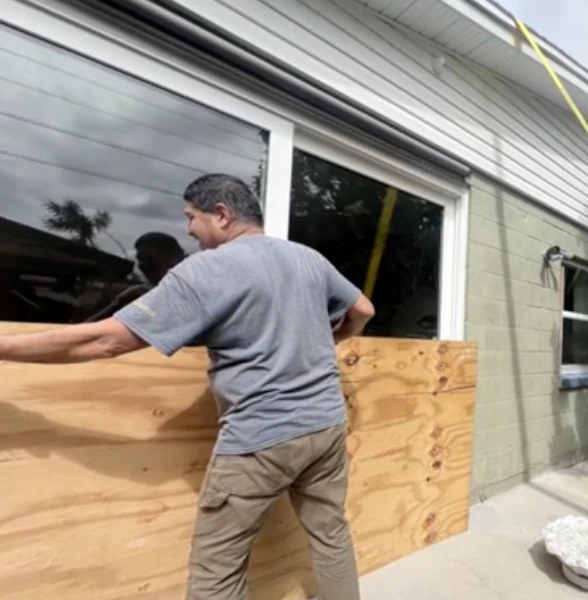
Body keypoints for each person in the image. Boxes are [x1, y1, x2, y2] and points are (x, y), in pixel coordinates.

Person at [0, 173, 375, 600]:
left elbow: (104, 341)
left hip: (261, 438)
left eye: (191, 217)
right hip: (325, 426)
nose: (188, 229)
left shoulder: (208, 269)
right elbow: (363, 309)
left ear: (222, 214)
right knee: (331, 534)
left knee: (219, 567)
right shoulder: (307, 258)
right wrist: (329, 339)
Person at [85, 231, 186, 322]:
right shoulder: (135, 295)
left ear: (175, 258)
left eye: (149, 259)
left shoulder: (189, 295)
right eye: (140, 259)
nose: (142, 265)